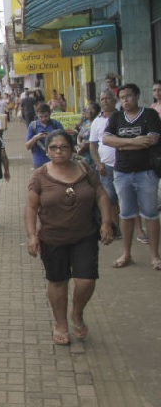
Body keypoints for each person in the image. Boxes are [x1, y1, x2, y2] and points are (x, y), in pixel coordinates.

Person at [24, 129, 113, 345]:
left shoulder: (84, 169)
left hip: (85, 235)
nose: (58, 151)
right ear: (46, 151)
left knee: (86, 281)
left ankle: (77, 313)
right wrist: (31, 236)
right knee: (58, 282)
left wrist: (107, 222)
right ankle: (60, 323)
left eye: (64, 147)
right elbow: (31, 207)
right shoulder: (39, 176)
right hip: (53, 238)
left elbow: (101, 194)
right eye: (53, 147)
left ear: (72, 149)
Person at [101, 83, 161, 270]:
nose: (126, 100)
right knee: (125, 214)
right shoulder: (117, 117)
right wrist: (133, 141)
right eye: (122, 97)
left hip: (147, 172)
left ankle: (155, 256)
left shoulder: (150, 115)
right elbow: (105, 139)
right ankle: (126, 253)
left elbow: (151, 140)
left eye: (129, 96)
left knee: (150, 214)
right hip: (122, 172)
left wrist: (121, 144)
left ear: (137, 96)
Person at [89, 90, 123, 238]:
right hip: (106, 167)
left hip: (125, 165)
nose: (104, 101)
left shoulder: (123, 117)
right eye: (101, 99)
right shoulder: (97, 121)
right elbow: (93, 146)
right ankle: (115, 227)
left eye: (107, 98)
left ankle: (139, 230)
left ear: (115, 100)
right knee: (109, 198)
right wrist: (98, 164)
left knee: (127, 198)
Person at [25, 103, 64, 168]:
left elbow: (65, 141)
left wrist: (53, 137)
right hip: (39, 161)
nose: (43, 119)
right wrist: (35, 138)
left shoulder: (56, 124)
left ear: (50, 114)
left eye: (46, 116)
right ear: (37, 114)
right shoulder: (32, 126)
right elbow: (27, 146)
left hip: (56, 159)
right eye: (41, 117)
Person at [75, 101, 99, 167]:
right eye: (88, 109)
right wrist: (79, 144)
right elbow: (79, 136)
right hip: (83, 153)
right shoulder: (85, 123)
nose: (90, 111)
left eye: (92, 109)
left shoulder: (98, 123)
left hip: (93, 153)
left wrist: (84, 147)